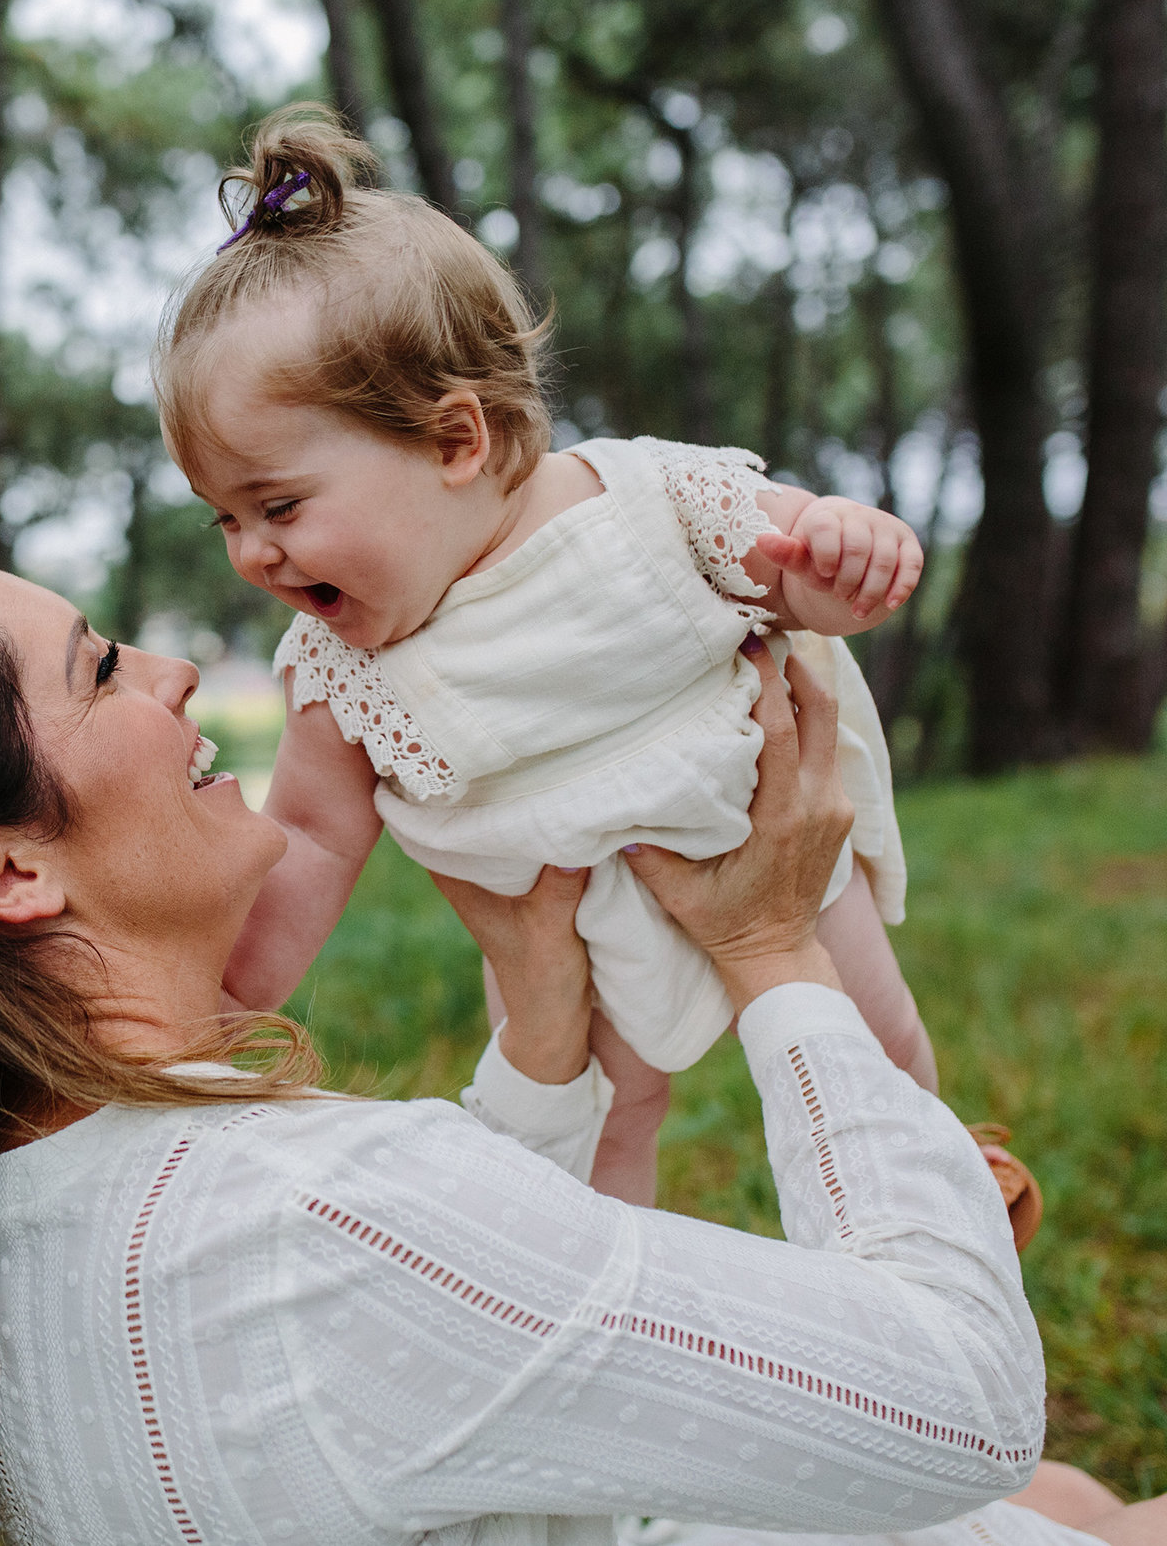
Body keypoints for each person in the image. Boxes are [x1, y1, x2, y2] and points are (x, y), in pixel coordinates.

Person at [0, 558, 1167, 1546]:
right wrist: (773, 952)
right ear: (4, 865)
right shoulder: (319, 1212)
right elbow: (964, 1394)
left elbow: (426, 1384)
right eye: (99, 668)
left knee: (1079, 1502)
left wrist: (546, 1036)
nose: (176, 670)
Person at [152, 104, 950, 1210]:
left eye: (276, 503)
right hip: (564, 936)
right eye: (222, 520)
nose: (250, 553)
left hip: (769, 851)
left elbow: (790, 576)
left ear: (453, 439)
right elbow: (312, 835)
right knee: (604, 1129)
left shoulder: (642, 499)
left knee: (876, 1034)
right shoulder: (340, 669)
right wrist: (235, 983)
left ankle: (945, 1178)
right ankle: (624, 1274)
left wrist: (840, 556)